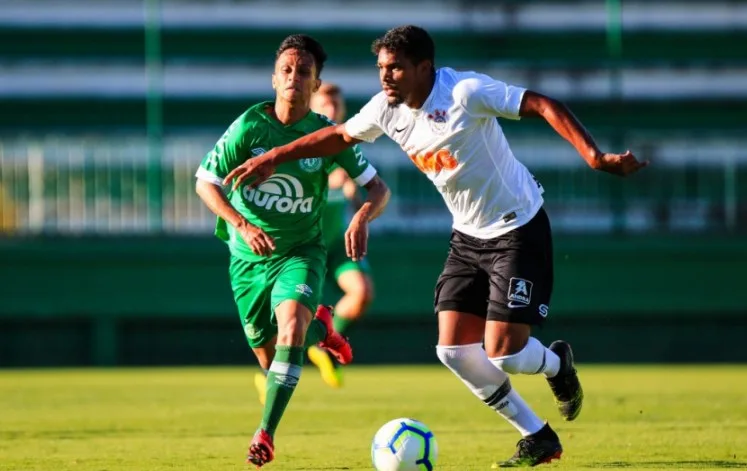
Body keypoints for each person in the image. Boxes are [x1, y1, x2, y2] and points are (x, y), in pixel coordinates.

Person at [222, 25, 648, 468]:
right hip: (468, 236)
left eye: (396, 68)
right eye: (381, 68)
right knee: (453, 351)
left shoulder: (464, 91)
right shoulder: (387, 109)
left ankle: (557, 364)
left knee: (505, 352)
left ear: (424, 68)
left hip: (518, 228)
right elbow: (339, 137)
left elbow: (542, 103)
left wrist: (595, 157)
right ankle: (537, 436)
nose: (385, 77)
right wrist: (274, 156)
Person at [194, 34, 390, 468]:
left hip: (301, 251)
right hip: (247, 259)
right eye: (287, 70)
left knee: (290, 334)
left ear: (316, 84)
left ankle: (265, 434)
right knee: (270, 358)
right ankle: (324, 329)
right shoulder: (249, 126)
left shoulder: (326, 136)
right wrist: (241, 223)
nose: (294, 78)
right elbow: (204, 182)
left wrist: (361, 217)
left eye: (304, 72)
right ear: (273, 79)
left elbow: (379, 188)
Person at [306, 82, 376, 388]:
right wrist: (332, 181)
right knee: (291, 318)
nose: (332, 110)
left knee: (361, 293)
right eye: (325, 104)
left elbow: (367, 199)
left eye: (336, 105)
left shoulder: (348, 146)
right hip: (305, 246)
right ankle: (272, 375)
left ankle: (323, 343)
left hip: (336, 245)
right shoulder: (305, 144)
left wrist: (355, 198)